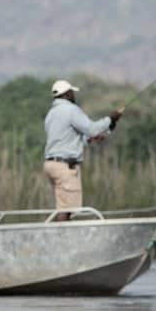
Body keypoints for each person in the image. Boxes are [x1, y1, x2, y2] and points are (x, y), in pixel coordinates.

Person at [43, 79, 123, 221]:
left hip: (52, 165)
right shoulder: (71, 110)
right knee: (68, 210)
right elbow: (92, 129)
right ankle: (61, 240)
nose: (74, 95)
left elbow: (67, 140)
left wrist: (91, 139)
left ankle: (60, 238)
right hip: (65, 167)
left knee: (63, 208)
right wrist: (110, 119)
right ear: (67, 94)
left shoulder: (51, 114)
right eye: (72, 92)